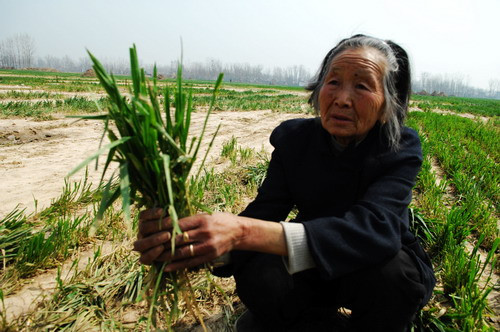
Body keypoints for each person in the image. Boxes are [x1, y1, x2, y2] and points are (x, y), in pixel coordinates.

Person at [133, 34, 436, 332]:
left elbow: (377, 230)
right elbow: (263, 212)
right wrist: (193, 243)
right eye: (333, 82)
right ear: (318, 90)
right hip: (311, 266)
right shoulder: (294, 140)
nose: (342, 99)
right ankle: (311, 321)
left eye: (361, 86)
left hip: (369, 269)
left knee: (394, 275)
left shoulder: (398, 147)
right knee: (258, 265)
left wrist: (240, 232)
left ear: (387, 105)